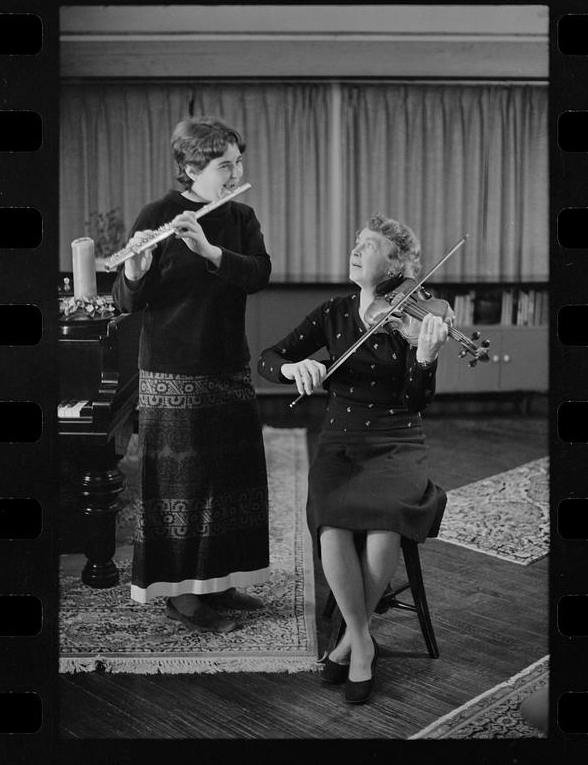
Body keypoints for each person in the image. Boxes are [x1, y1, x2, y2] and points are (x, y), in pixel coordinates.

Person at [258, 214, 449, 703]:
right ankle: (361, 640)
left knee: (386, 524)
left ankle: (350, 640)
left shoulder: (414, 320)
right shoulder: (334, 312)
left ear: (398, 264)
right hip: (340, 442)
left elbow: (417, 400)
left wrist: (424, 359)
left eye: (371, 245)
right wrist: (291, 366)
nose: (358, 249)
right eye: (358, 242)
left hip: (397, 440)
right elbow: (267, 357)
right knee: (332, 522)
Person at [113, 116, 271, 633]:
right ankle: (181, 596)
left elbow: (257, 274)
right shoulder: (157, 215)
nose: (236, 172)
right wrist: (134, 273)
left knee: (228, 483)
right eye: (226, 165)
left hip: (227, 365)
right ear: (190, 167)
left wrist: (210, 251)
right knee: (179, 489)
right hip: (171, 371)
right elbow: (127, 300)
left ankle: (219, 582)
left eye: (236, 163)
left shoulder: (241, 217)